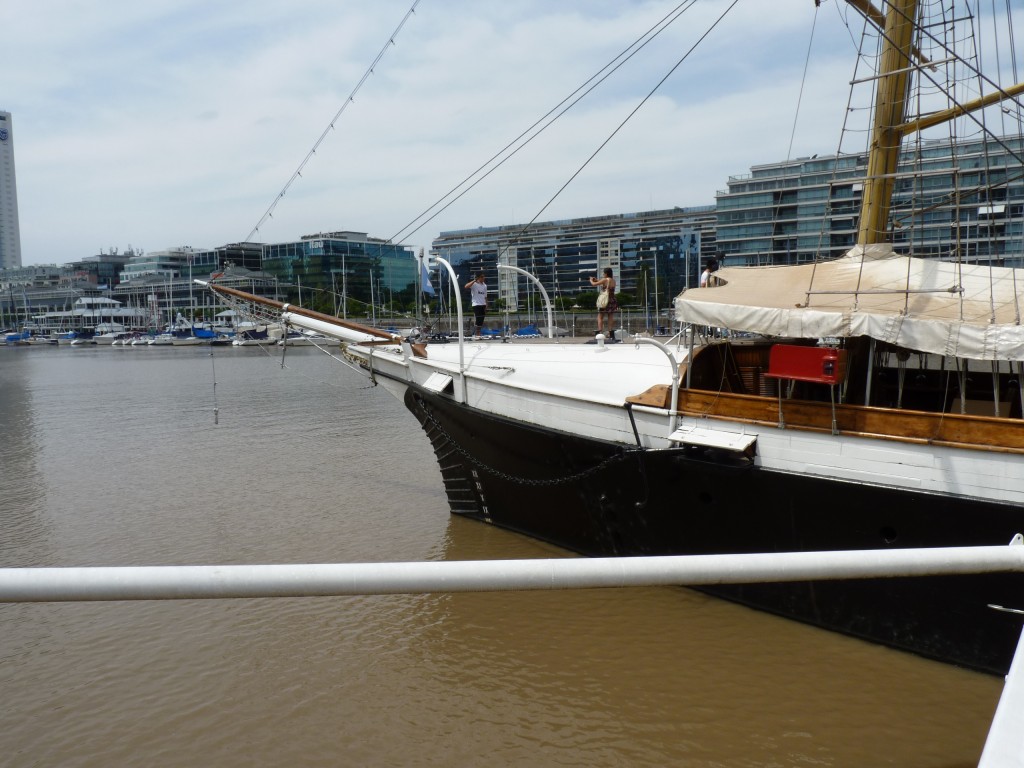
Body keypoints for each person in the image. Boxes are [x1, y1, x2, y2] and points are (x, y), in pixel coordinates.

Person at [589, 268, 618, 337]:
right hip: (612, 300)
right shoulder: (613, 281)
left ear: (606, 273)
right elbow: (604, 284)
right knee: (610, 316)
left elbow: (594, 284)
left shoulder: (605, 279)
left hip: (604, 301)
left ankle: (600, 332)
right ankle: (610, 332)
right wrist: (597, 280)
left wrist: (591, 280)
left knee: (600, 317)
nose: (603, 274)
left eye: (603, 273)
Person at [463, 272, 488, 338]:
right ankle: (477, 333)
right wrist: (474, 280)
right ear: (479, 277)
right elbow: (466, 286)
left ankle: (478, 332)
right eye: (482, 277)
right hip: (476, 304)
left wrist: (486, 304)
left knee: (482, 319)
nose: (483, 278)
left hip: (483, 304)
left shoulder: (485, 286)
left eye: (483, 277)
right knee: (478, 318)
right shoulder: (474, 284)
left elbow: (485, 296)